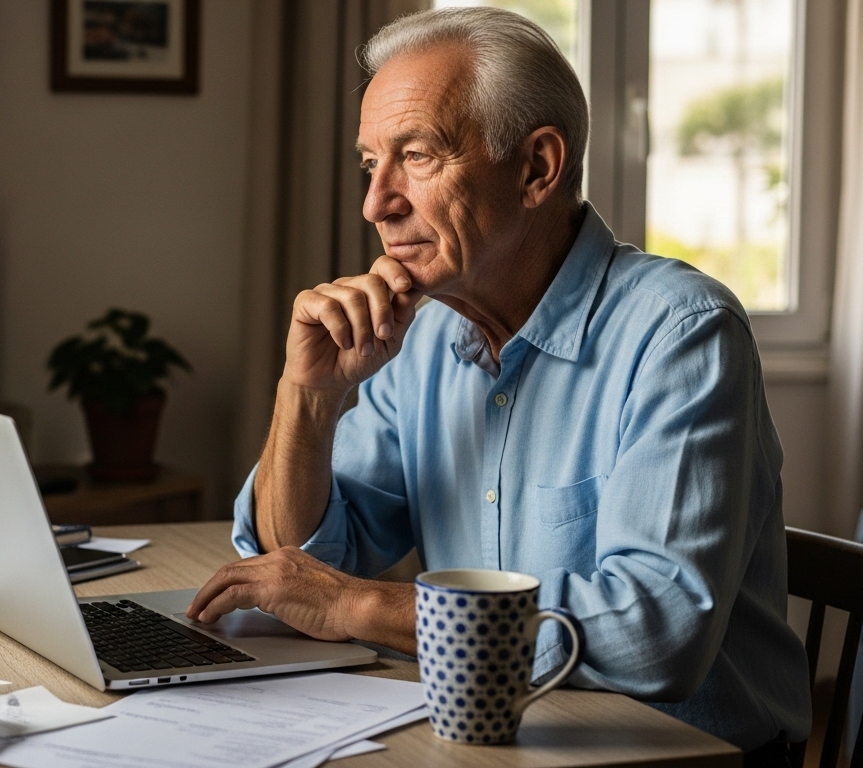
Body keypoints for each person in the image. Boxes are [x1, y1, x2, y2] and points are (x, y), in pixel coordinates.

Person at [185, 7, 811, 762]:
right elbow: (300, 569)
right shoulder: (425, 335)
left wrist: (357, 606)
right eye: (369, 162)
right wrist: (307, 397)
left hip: (673, 754)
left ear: (537, 168)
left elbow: (655, 635)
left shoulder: (681, 333)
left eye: (415, 156)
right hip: (494, 744)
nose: (375, 203)